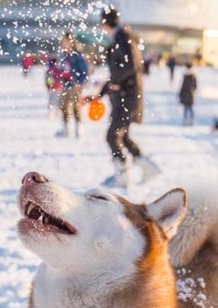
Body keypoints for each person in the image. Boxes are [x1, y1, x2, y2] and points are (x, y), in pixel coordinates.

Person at [90, 6, 160, 187]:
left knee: (112, 136)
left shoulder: (124, 38)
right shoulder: (121, 38)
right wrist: (99, 95)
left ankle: (122, 175)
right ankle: (148, 167)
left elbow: (133, 66)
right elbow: (117, 72)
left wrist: (117, 83)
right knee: (123, 136)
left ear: (105, 23)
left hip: (127, 97)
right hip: (123, 96)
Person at [55, 32, 89, 138]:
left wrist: (79, 81)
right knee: (63, 106)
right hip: (65, 84)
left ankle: (78, 129)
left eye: (65, 41)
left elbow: (84, 70)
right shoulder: (64, 55)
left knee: (75, 106)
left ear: (71, 42)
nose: (63, 43)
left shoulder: (77, 56)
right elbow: (61, 69)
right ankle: (66, 129)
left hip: (75, 85)